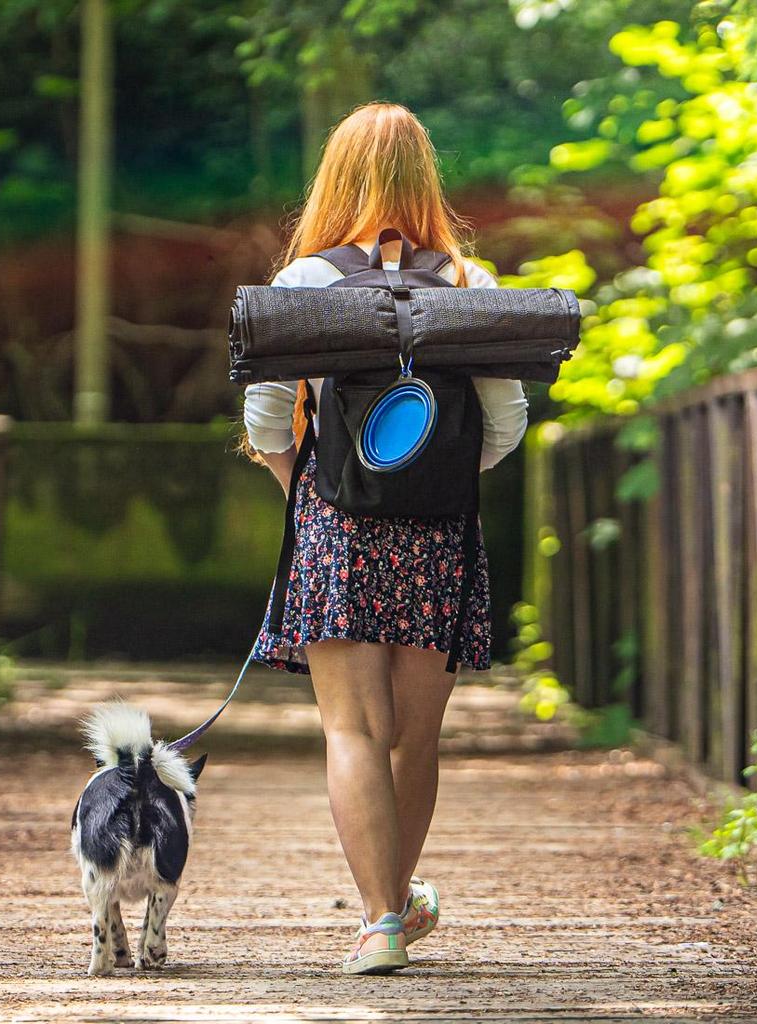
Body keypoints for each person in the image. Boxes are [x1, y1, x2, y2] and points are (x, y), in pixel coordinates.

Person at [237, 101, 528, 975]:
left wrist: (319, 494)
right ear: (424, 180)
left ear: (334, 179)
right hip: (440, 534)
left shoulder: (302, 285)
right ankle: (396, 903)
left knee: (354, 729)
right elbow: (505, 424)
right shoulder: (469, 285)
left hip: (338, 532)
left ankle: (380, 924)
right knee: (417, 735)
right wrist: (432, 483)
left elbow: (263, 423)